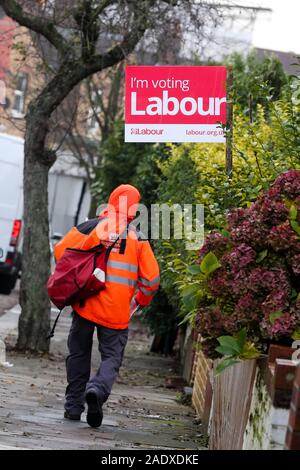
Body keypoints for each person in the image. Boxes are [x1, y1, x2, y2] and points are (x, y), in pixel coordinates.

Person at [54, 184, 160, 428]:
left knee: (79, 352)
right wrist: (139, 301)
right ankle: (97, 389)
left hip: (86, 303)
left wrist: (77, 278)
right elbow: (152, 280)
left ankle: (73, 406)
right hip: (117, 311)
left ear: (111, 201)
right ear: (134, 208)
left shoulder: (91, 226)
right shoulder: (138, 237)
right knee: (112, 356)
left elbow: (61, 252)